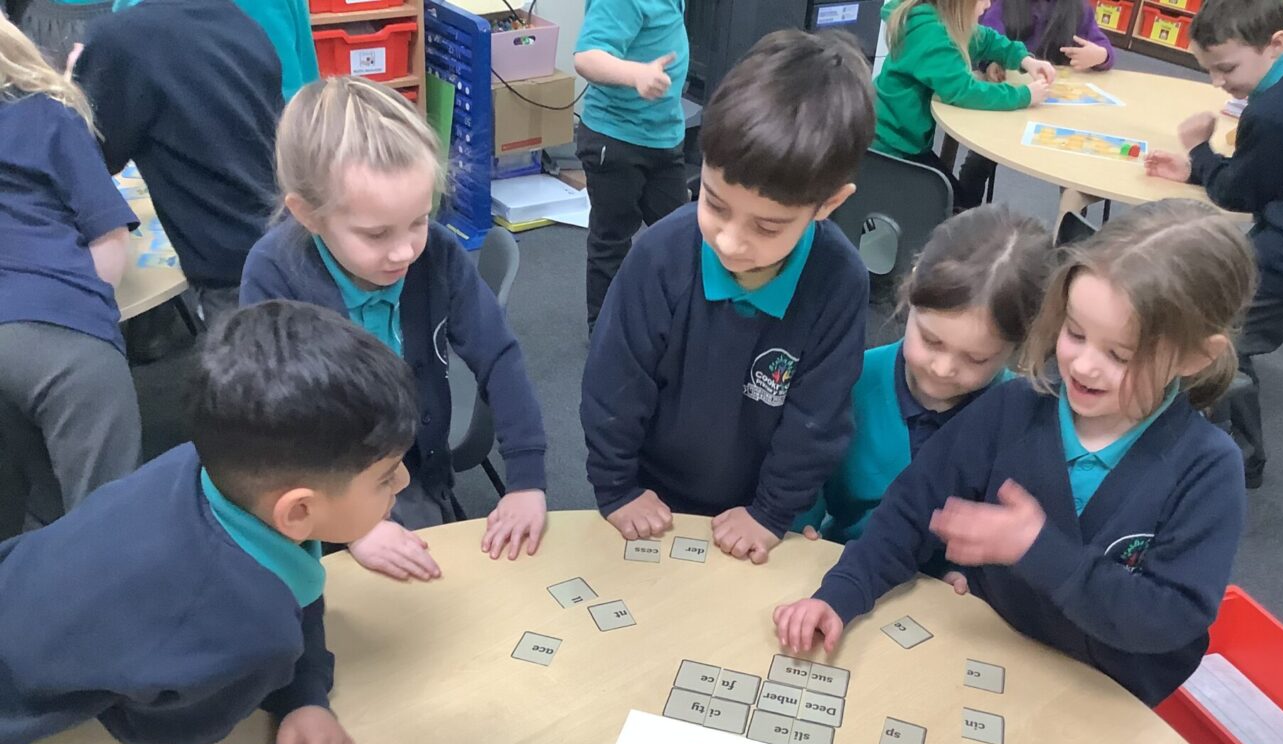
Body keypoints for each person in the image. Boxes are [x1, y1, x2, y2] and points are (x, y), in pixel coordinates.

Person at [774, 200, 1255, 708]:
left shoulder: (1207, 469)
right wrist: (841, 594)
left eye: (1119, 355)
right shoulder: (1012, 408)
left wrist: (1038, 550)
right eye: (1075, 333)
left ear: (1195, 356)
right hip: (991, 658)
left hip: (1107, 698)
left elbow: (1170, 618)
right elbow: (910, 511)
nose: (1083, 366)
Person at [0, 301, 418, 744]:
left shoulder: (200, 466)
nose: (403, 481)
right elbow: (160, 734)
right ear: (298, 511)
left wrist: (303, 694)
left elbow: (295, 585)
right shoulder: (252, 633)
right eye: (385, 477)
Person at [580, 29, 876, 565]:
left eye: (767, 226)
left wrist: (770, 512)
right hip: (650, 494)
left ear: (828, 204)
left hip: (761, 509)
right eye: (715, 204)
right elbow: (613, 384)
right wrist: (616, 487)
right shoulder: (660, 256)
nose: (731, 242)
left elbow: (817, 419)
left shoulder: (840, 281)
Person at [241, 77, 549, 578]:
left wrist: (527, 481)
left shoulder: (438, 256)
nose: (405, 250)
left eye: (419, 221)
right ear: (308, 215)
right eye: (376, 234)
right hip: (320, 485)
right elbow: (275, 422)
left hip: (414, 469)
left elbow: (499, 358)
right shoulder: (275, 273)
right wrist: (354, 526)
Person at [1145, 0, 1283, 488]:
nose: (1217, 82)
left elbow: (1237, 193)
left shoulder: (1271, 110)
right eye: (1210, 70)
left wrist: (1199, 148)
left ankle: (1243, 459)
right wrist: (1200, 170)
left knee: (1220, 342)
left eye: (1226, 69)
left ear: (1276, 44)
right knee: (1215, 318)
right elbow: (1265, 175)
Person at [794, 207, 1051, 545]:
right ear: (910, 293)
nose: (943, 369)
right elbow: (801, 479)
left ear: (1019, 346)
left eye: (976, 358)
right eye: (931, 340)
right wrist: (799, 528)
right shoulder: (849, 380)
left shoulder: (1021, 422)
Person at [0, 14, 138, 539]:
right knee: (108, 522)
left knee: (38, 505)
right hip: (60, 331)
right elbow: (109, 242)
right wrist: (91, 316)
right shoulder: (45, 113)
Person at [73, 0, 284, 327]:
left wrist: (72, 88)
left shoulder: (122, 38)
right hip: (280, 240)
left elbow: (88, 156)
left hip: (231, 272)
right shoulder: (236, 19)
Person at [573, 0, 689, 335]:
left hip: (663, 137)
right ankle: (605, 333)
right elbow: (587, 57)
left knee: (682, 234)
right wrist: (636, 74)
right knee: (612, 239)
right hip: (616, 139)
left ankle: (674, 324)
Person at [874, 0, 1055, 208]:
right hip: (889, 150)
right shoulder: (933, 35)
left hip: (898, 138)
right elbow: (965, 91)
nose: (988, 5)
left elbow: (986, 40)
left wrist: (1024, 59)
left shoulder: (939, 20)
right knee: (956, 207)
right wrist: (1024, 95)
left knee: (957, 200)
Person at [960, 0, 1115, 204]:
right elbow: (985, 41)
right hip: (1009, 103)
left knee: (1073, 177)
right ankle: (963, 209)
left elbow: (1104, 49)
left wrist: (1100, 55)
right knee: (978, 161)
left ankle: (1068, 222)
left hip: (1057, 111)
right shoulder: (1003, 5)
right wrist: (990, 64)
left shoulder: (1077, 8)